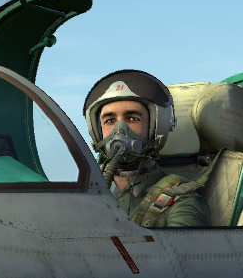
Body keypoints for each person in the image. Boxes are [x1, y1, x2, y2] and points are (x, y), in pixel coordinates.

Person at [84, 69, 210, 229]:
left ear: (156, 127)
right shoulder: (85, 186)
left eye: (133, 118)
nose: (119, 130)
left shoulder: (182, 203)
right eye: (109, 120)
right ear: (97, 132)